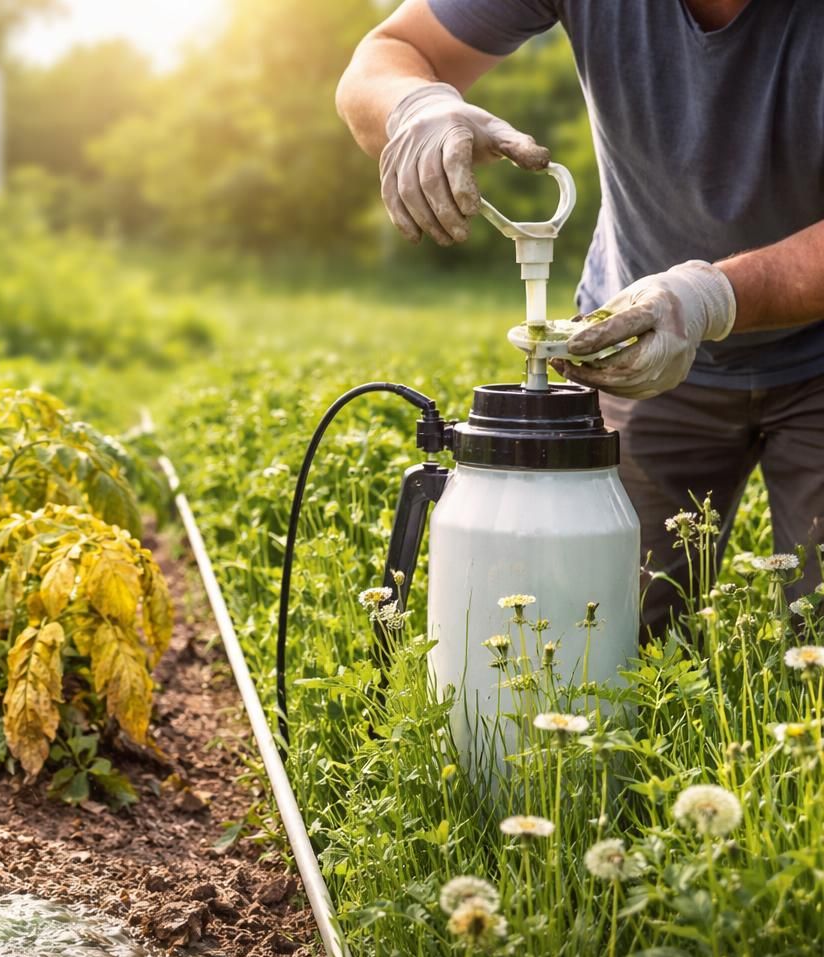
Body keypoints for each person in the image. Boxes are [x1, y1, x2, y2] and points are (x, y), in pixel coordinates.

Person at [335, 0, 824, 634]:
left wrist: (709, 298)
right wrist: (415, 107)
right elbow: (389, 53)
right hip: (638, 349)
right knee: (605, 628)